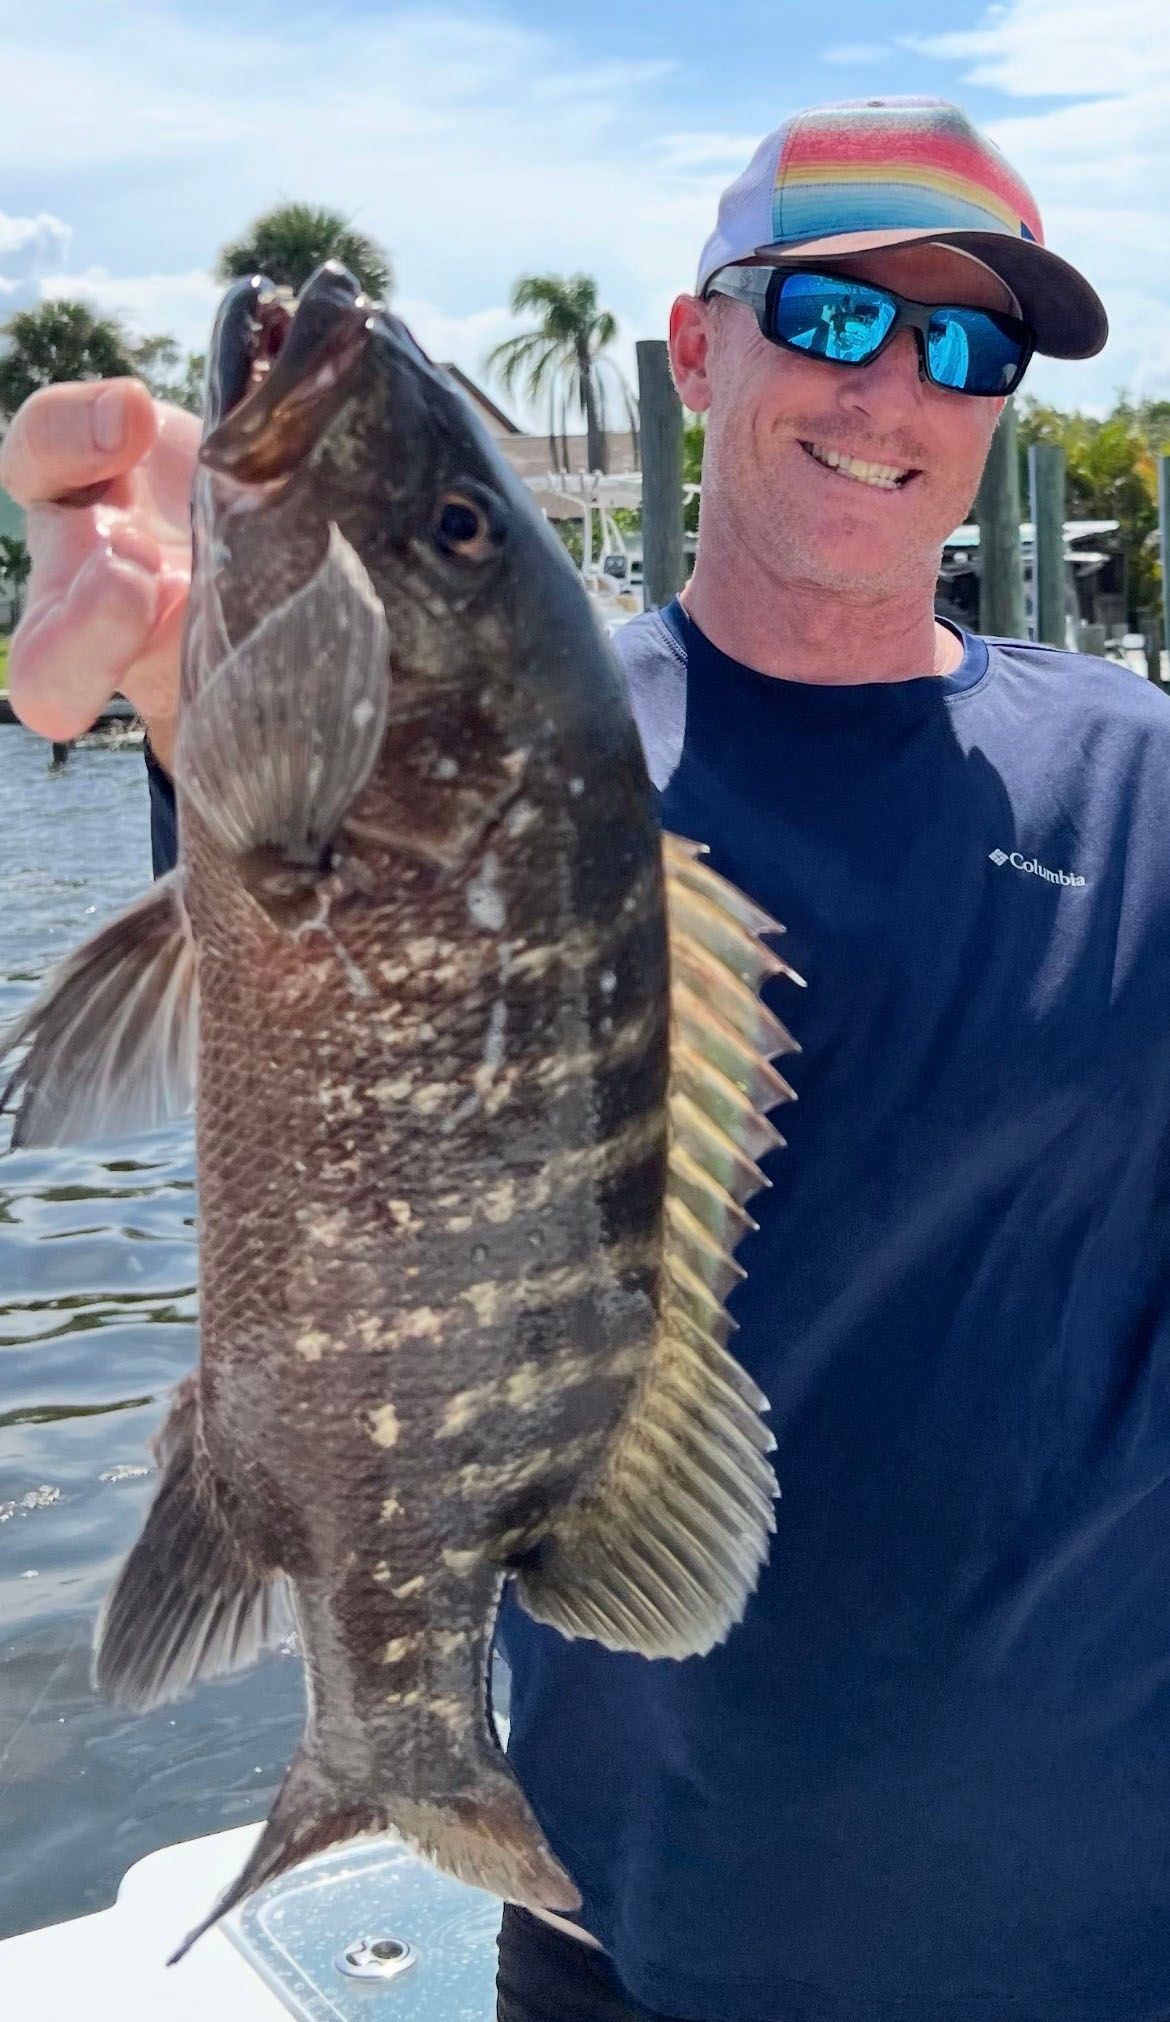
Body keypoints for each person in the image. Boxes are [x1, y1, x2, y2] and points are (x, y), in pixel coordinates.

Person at [4, 93, 1170, 2022]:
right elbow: (284, 964)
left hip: (1107, 1935)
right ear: (697, 347)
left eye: (962, 348)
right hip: (623, 1932)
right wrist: (174, 683)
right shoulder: (518, 749)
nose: (890, 389)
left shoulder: (1139, 788)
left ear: (996, 416)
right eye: (827, 316)